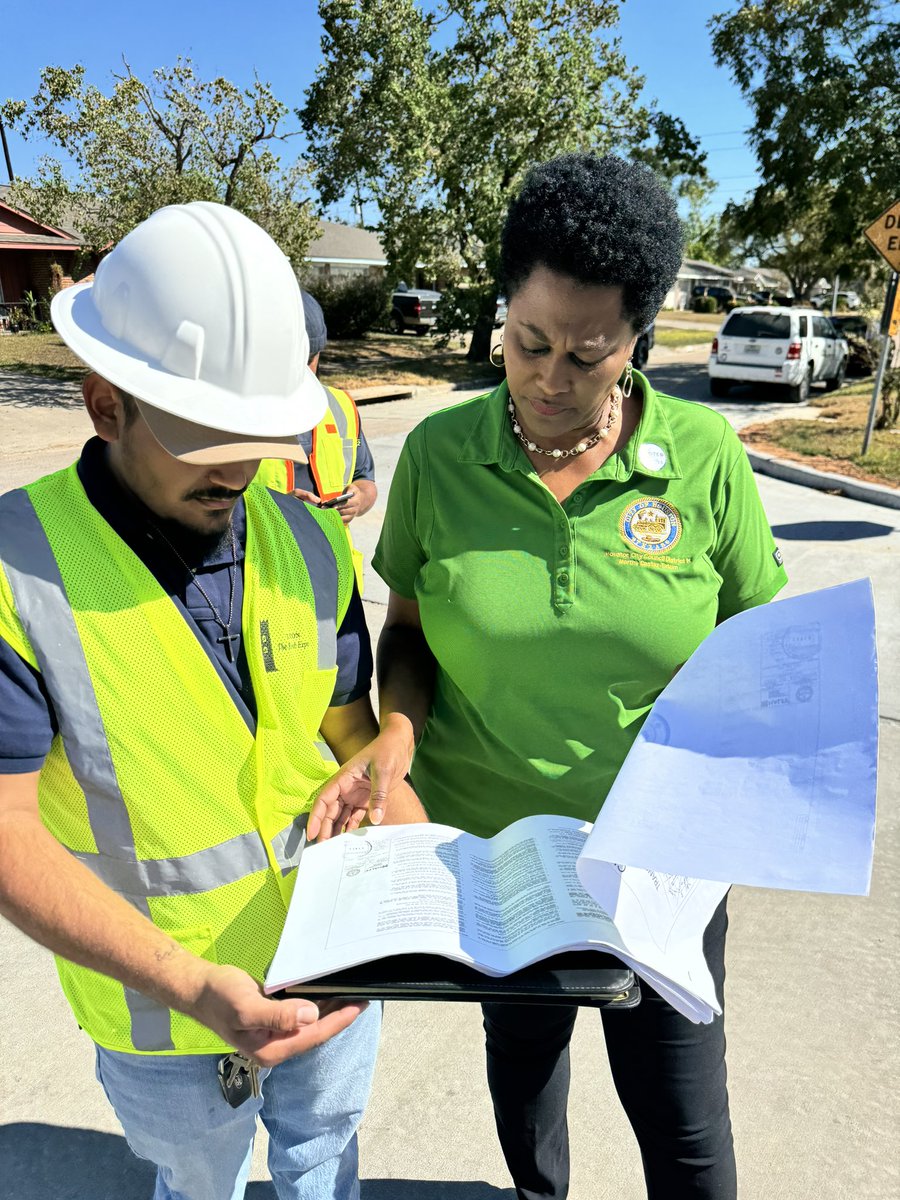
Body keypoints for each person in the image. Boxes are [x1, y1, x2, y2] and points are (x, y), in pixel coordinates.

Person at [309, 154, 788, 1198]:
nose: (553, 377)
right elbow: (410, 629)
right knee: (524, 1081)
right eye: (531, 342)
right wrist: (395, 734)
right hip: (492, 861)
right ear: (504, 310)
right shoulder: (442, 454)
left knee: (683, 1116)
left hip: (657, 858)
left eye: (592, 353)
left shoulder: (705, 456)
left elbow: (760, 641)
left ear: (639, 340)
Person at [0, 201, 424, 1200]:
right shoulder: (16, 573)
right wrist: (192, 986)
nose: (239, 467)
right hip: (164, 1016)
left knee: (324, 1161)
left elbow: (346, 732)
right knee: (200, 1185)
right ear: (107, 406)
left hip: (330, 978)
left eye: (258, 436)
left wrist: (426, 888)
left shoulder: (311, 543)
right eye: (207, 438)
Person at [257, 291, 377, 592]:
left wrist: (358, 501)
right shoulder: (240, 414)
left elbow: (365, 479)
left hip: (337, 584)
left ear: (319, 353)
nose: (298, 375)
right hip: (269, 583)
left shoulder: (342, 408)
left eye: (306, 363)